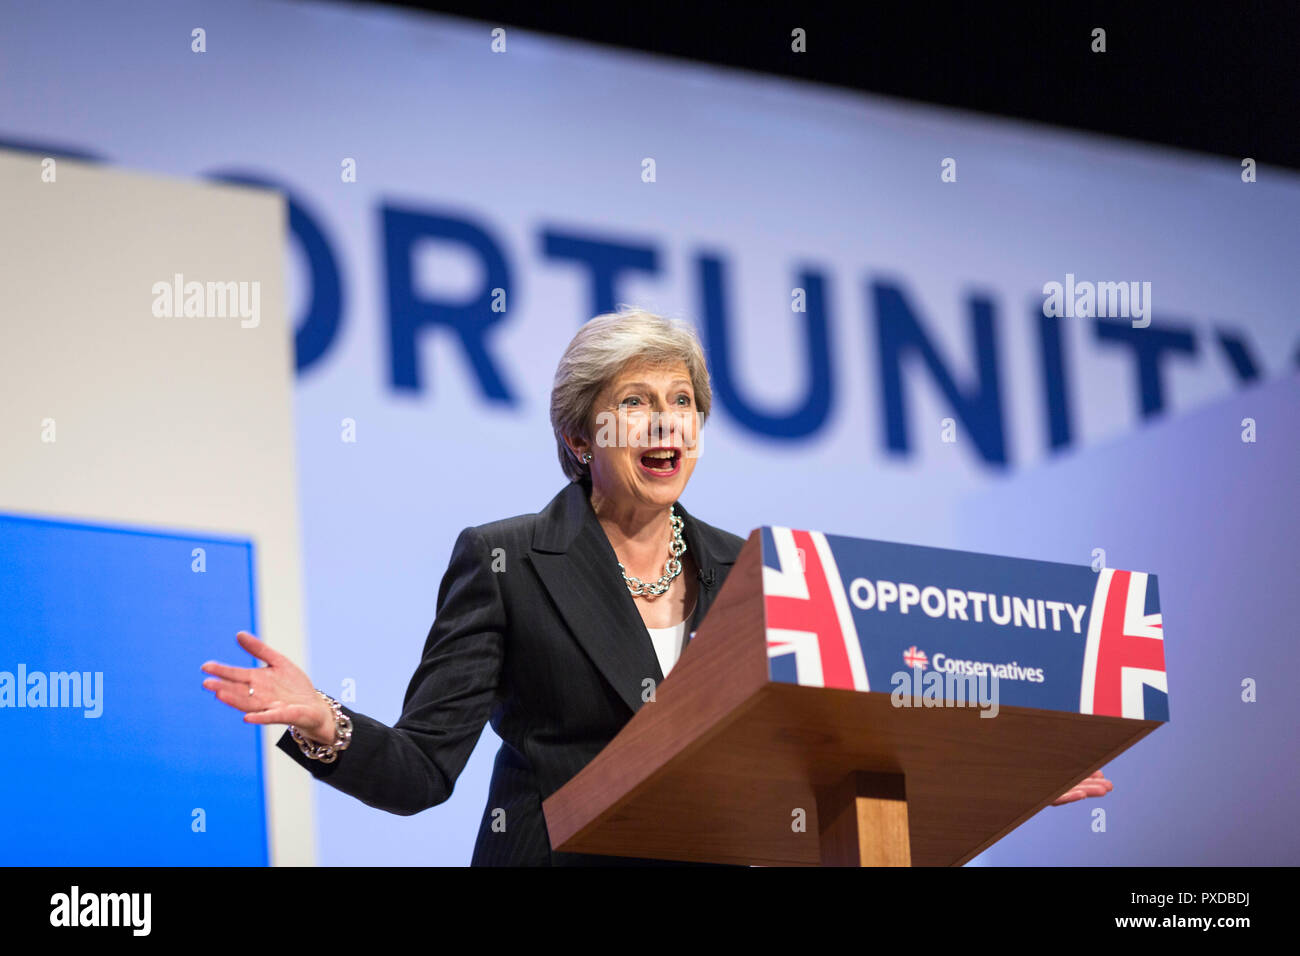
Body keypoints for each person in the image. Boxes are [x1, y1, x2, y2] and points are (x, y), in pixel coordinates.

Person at [201, 307, 1109, 866]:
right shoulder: (505, 560)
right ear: (580, 436)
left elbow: (823, 755)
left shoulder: (754, 569)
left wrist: (995, 777)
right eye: (635, 402)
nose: (664, 421)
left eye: (682, 402)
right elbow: (424, 772)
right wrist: (326, 721)